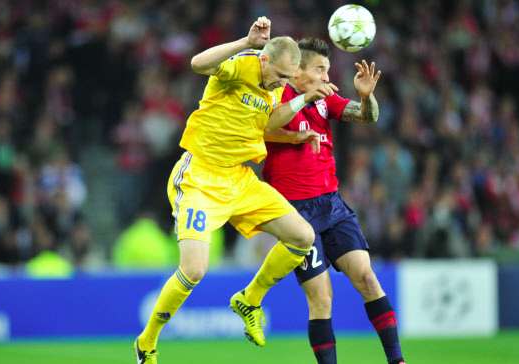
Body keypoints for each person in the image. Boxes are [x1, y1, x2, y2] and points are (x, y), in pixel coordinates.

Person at [134, 19, 338, 364]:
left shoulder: (275, 85)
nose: (284, 83)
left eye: (290, 78)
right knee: (195, 270)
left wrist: (300, 104)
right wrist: (246, 41)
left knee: (302, 237)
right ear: (264, 60)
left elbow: (269, 120)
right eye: (282, 76)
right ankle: (147, 341)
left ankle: (249, 299)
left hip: (240, 180)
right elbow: (197, 63)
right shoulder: (241, 65)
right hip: (200, 176)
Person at [263, 38, 406, 364]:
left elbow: (367, 116)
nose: (328, 77)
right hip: (296, 215)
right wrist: (305, 100)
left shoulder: (327, 102)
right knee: (322, 299)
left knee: (367, 278)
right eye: (320, 69)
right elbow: (265, 125)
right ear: (297, 71)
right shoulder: (276, 95)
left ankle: (397, 360)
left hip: (332, 205)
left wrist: (367, 97)